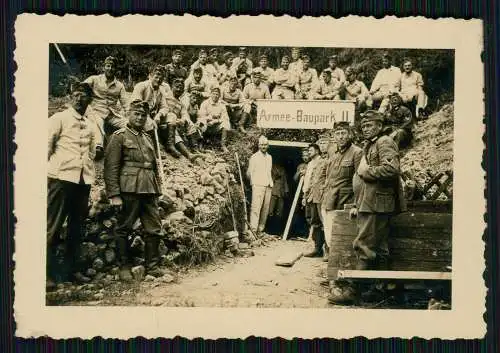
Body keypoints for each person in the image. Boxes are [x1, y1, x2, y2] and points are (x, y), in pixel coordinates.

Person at [328, 110, 406, 305]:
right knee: (380, 248)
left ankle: (354, 290)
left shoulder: (384, 141)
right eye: (363, 126)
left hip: (376, 204)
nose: (365, 129)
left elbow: (392, 169)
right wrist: (357, 202)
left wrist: (366, 172)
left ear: (379, 126)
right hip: (371, 203)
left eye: (370, 125)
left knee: (364, 245)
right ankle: (382, 290)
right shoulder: (370, 144)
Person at [104, 99, 167, 281]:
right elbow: (111, 168)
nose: (140, 118)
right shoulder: (119, 136)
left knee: (154, 228)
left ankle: (152, 266)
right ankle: (124, 267)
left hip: (149, 189)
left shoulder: (147, 138)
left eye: (143, 115)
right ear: (128, 115)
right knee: (123, 227)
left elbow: (153, 166)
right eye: (136, 114)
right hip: (129, 189)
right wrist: (114, 194)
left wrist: (158, 188)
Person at [47, 82, 97, 288]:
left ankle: (71, 271)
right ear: (70, 96)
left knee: (77, 228)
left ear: (89, 100)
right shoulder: (59, 118)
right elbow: (46, 148)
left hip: (82, 181)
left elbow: (92, 152)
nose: (79, 98)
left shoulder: (91, 124)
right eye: (75, 95)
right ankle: (47, 274)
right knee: (53, 227)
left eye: (83, 95)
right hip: (61, 180)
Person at [320, 121, 362, 266]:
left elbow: (360, 179)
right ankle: (334, 268)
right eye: (337, 134)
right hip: (328, 200)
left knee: (343, 238)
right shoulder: (333, 153)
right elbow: (328, 177)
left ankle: (342, 269)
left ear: (350, 134)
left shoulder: (357, 152)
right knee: (330, 237)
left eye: (343, 133)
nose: (341, 137)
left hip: (344, 202)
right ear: (334, 136)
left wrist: (356, 204)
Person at [84, 56, 129, 149]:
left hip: (111, 114)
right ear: (104, 67)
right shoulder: (94, 79)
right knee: (99, 123)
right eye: (108, 66)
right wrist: (81, 86)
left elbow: (126, 104)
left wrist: (129, 115)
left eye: (113, 67)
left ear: (116, 69)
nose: (110, 69)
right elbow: (82, 88)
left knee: (128, 124)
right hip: (95, 111)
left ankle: (125, 145)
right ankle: (98, 147)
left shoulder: (119, 85)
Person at [159, 78, 203, 161]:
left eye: (181, 88)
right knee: (172, 117)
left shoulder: (181, 103)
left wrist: (182, 120)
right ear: (172, 87)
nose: (179, 89)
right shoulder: (165, 97)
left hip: (173, 125)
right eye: (177, 87)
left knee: (190, 123)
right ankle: (181, 151)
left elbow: (185, 114)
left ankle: (194, 148)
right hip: (163, 125)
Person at [130, 64, 170, 141]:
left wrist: (159, 115)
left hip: (151, 117)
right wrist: (148, 117)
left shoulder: (160, 91)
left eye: (161, 78)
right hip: (138, 114)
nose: (158, 80)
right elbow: (137, 105)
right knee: (150, 125)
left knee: (170, 119)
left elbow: (165, 107)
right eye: (156, 77)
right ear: (150, 76)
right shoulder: (141, 86)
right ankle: (152, 146)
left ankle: (168, 146)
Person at [302, 143, 328, 258]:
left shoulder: (324, 161)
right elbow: (310, 180)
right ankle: (317, 249)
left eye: (311, 150)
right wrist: (305, 195)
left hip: (321, 196)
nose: (309, 152)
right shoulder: (310, 164)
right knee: (314, 222)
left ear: (317, 151)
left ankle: (327, 250)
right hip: (311, 195)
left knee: (324, 223)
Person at [246, 135, 274, 238]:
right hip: (258, 185)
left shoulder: (269, 157)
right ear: (258, 145)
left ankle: (260, 231)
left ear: (268, 145)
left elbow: (269, 171)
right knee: (256, 208)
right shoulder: (254, 157)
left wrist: (270, 183)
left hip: (268, 185)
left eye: (265, 145)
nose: (264, 146)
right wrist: (254, 183)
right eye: (262, 144)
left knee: (265, 209)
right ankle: (253, 231)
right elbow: (249, 172)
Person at [197, 86, 231, 153]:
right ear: (211, 94)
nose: (215, 96)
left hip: (216, 127)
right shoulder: (205, 103)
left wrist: (215, 121)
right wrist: (210, 118)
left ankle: (223, 145)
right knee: (202, 122)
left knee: (226, 123)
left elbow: (225, 117)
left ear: (219, 96)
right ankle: (201, 144)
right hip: (206, 125)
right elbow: (201, 116)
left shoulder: (222, 105)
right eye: (214, 93)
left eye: (217, 94)